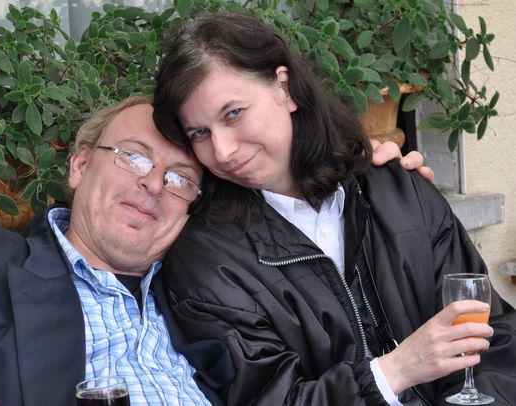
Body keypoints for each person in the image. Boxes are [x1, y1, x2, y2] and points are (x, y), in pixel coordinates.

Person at [0, 93, 426, 405]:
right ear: (80, 166)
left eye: (180, 178)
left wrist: (376, 191)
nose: (153, 184)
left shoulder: (213, 295)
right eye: (133, 158)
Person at [152, 12, 516, 406]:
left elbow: (493, 339)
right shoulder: (205, 259)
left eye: (234, 113)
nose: (222, 151)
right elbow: (267, 398)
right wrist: (393, 372)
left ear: (284, 88)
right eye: (200, 133)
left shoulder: (397, 189)